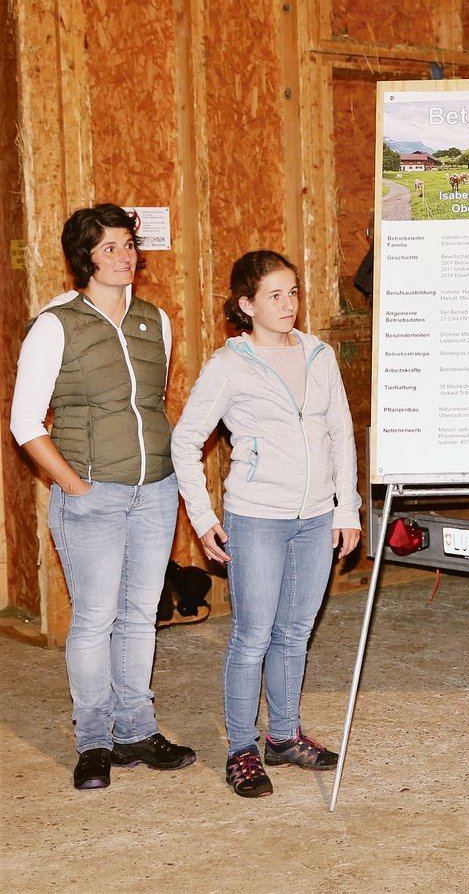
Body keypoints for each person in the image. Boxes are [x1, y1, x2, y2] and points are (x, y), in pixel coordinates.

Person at [10, 204, 197, 790]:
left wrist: (164, 480)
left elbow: (151, 406)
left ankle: (136, 730)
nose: (125, 256)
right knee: (94, 620)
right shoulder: (56, 323)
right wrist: (72, 485)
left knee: (141, 618)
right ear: (85, 257)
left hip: (155, 492)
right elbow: (24, 423)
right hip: (90, 496)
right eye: (110, 247)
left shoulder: (154, 319)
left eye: (128, 245)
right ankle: (94, 740)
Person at [171, 250, 361, 798]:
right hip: (256, 517)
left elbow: (340, 435)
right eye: (274, 295)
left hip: (316, 516)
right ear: (245, 303)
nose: (288, 304)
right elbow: (185, 442)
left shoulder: (319, 355)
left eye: (294, 292)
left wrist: (345, 505)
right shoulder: (228, 366)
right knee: (252, 636)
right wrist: (204, 518)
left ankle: (283, 736)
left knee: (295, 633)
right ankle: (241, 749)